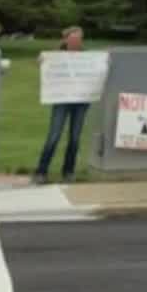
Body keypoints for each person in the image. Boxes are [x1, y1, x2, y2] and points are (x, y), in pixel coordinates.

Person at [33, 26, 91, 184]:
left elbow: (97, 73)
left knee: (75, 138)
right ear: (66, 40)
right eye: (73, 39)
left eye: (79, 39)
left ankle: (68, 171)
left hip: (81, 102)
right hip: (61, 101)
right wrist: (41, 61)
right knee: (54, 136)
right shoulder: (56, 56)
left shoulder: (88, 58)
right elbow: (43, 66)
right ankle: (41, 171)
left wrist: (106, 63)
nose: (76, 42)